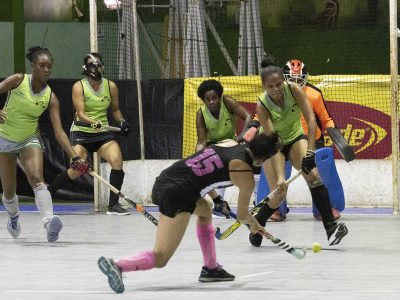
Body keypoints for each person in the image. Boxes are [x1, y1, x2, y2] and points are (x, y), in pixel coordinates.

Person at [97, 132, 282, 293]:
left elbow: (200, 169)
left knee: (205, 209)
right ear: (262, 160)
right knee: (161, 257)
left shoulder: (229, 142)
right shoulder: (244, 172)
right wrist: (255, 225)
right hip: (178, 193)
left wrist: (217, 199)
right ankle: (118, 265)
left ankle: (210, 268)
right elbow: (242, 215)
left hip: (166, 179)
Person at [0, 46, 90, 242]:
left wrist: (75, 156)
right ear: (33, 66)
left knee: (37, 178)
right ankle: (14, 218)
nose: (47, 70)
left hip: (28, 140)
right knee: (9, 190)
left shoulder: (51, 97)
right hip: (3, 140)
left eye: (50, 66)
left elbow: (59, 132)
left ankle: (49, 223)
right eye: (42, 65)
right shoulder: (18, 80)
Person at [248, 57, 348, 248]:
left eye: (279, 84)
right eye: (271, 86)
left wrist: (310, 153)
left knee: (314, 176)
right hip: (273, 144)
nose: (276, 89)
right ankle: (257, 224)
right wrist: (279, 177)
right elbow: (272, 141)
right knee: (277, 195)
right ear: (264, 86)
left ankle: (331, 228)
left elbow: (311, 120)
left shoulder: (294, 89)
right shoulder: (262, 105)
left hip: (295, 137)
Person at [48, 53, 130, 215]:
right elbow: (81, 113)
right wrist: (92, 121)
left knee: (117, 161)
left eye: (98, 64)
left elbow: (115, 110)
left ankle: (113, 205)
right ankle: (47, 193)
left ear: (102, 67)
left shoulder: (111, 86)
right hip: (81, 132)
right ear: (86, 68)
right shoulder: (79, 87)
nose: (96, 68)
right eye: (92, 65)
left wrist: (121, 122)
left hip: (102, 133)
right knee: (76, 169)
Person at [281, 59, 343, 220]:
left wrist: (337, 136)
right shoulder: (276, 94)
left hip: (312, 141)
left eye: (298, 80)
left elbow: (325, 118)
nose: (295, 83)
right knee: (276, 172)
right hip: (284, 139)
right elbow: (260, 117)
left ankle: (324, 208)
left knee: (319, 172)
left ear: (305, 79)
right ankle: (276, 209)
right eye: (291, 79)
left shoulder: (314, 94)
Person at [195, 79, 252, 218]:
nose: (211, 102)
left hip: (231, 143)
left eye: (214, 98)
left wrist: (243, 136)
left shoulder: (227, 102)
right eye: (207, 99)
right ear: (204, 100)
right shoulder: (201, 114)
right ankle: (218, 203)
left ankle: (254, 201)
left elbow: (248, 116)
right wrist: (197, 158)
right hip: (213, 146)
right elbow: (202, 141)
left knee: (250, 164)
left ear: (219, 97)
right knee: (201, 169)